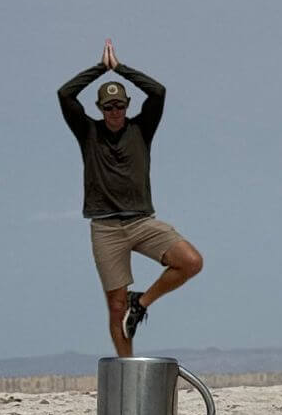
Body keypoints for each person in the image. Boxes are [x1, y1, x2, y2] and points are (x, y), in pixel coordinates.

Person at [57, 39, 203, 356]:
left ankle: (143, 302)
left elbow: (159, 92)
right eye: (108, 107)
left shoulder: (142, 128)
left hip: (141, 221)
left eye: (120, 105)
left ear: (127, 105)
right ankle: (128, 370)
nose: (114, 112)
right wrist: (101, 68)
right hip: (106, 228)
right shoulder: (88, 132)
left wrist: (120, 69)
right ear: (100, 109)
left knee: (191, 262)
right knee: (115, 306)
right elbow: (65, 94)